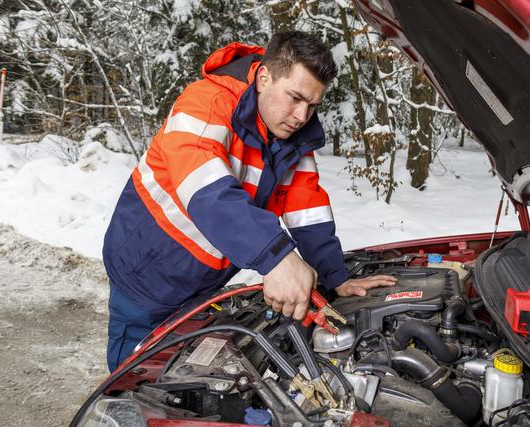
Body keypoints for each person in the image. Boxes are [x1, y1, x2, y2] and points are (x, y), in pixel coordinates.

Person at [102, 31, 396, 372]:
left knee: (181, 377)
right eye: (295, 98)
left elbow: (306, 208)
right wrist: (277, 259)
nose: (302, 116)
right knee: (136, 379)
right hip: (146, 274)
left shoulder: (288, 134)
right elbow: (209, 194)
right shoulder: (204, 104)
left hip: (204, 282)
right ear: (264, 77)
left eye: (313, 105)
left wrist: (336, 276)